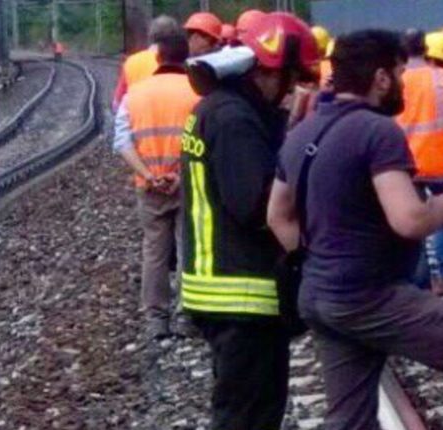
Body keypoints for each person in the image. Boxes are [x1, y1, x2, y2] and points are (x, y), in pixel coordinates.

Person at [268, 30, 443, 430]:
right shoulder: (377, 131)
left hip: (319, 296)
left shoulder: (301, 133)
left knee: (349, 419)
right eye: (398, 73)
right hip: (368, 296)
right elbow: (410, 220)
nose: (400, 83)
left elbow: (278, 215)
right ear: (381, 77)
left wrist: (325, 258)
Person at [180, 12, 319, 429]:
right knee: (249, 416)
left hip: (224, 287)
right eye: (291, 78)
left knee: (245, 410)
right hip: (239, 291)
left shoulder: (225, 108)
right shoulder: (234, 119)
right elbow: (256, 205)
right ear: (268, 72)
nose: (292, 90)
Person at [113, 31, 200, 339]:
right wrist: (178, 173)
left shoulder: (134, 94)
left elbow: (121, 141)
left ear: (158, 58)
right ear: (186, 56)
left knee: (154, 250)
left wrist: (149, 175)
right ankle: (186, 314)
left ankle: (155, 318)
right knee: (187, 246)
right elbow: (202, 139)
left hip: (148, 186)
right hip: (187, 183)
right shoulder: (197, 91)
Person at [396, 29, 443, 293]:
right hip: (437, 162)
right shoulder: (438, 79)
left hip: (404, 167)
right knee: (438, 226)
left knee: (414, 228)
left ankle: (420, 284)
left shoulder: (395, 80)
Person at [112, 15, 179, 111]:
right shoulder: (179, 61)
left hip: (138, 119)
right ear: (175, 36)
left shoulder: (131, 62)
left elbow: (117, 104)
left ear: (151, 35)